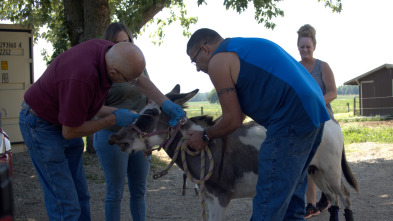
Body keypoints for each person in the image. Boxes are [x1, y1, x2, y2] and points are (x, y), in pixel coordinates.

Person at [18, 39, 185, 220]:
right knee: (65, 203)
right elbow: (70, 131)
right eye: (128, 81)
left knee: (81, 197)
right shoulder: (82, 77)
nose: (131, 83)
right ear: (113, 72)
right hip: (41, 125)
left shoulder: (108, 52)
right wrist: (113, 118)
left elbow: (136, 81)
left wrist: (165, 102)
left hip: (63, 119)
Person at [185, 28, 330, 220]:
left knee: (268, 199)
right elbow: (239, 113)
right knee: (292, 195)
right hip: (315, 112)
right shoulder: (243, 47)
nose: (197, 68)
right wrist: (216, 128)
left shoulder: (218, 62)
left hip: (291, 117)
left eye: (194, 60)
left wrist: (205, 136)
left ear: (204, 48)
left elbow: (233, 119)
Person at [93, 22, 150, 221]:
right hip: (112, 135)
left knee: (139, 191)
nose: (124, 47)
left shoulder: (138, 64)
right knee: (115, 193)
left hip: (138, 136)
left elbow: (149, 94)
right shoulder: (102, 72)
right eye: (117, 43)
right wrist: (120, 113)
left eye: (126, 42)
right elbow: (92, 108)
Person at [297, 24, 337, 218]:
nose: (305, 50)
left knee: (323, 162)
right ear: (298, 46)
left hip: (323, 116)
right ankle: (311, 203)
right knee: (307, 161)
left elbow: (333, 93)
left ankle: (327, 195)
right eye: (302, 47)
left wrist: (316, 101)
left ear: (314, 47)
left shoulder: (323, 66)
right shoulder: (294, 67)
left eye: (308, 47)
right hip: (302, 118)